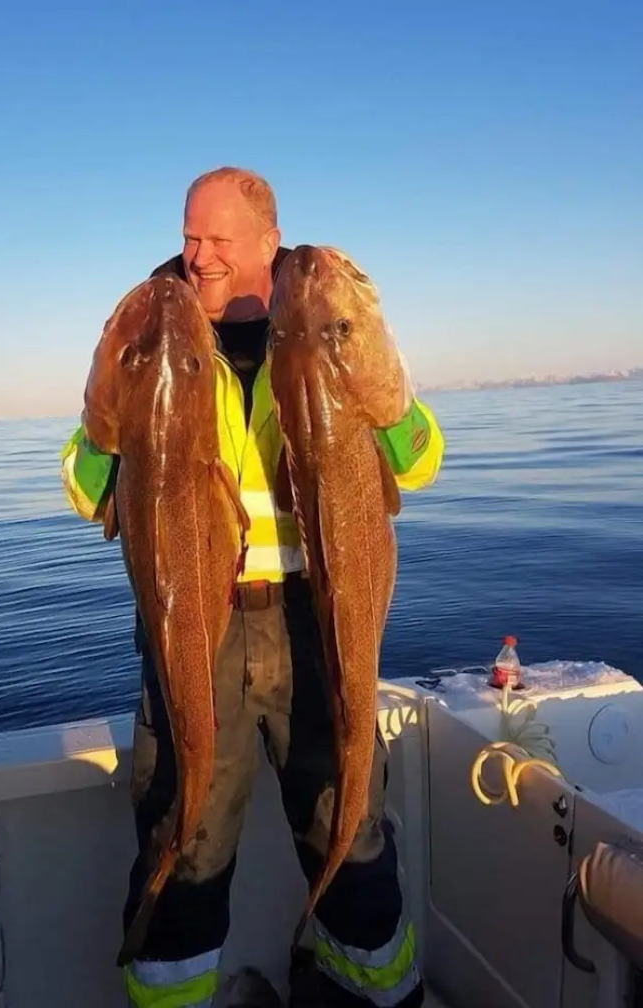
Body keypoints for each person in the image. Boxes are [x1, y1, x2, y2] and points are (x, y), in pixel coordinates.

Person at [60, 167, 445, 1008]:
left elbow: (417, 459)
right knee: (184, 834)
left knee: (349, 817)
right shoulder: (152, 333)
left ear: (267, 243)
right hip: (198, 623)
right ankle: (171, 990)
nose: (194, 255)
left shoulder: (320, 328)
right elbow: (87, 487)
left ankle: (375, 988)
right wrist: (107, 418)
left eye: (215, 239)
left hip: (316, 616)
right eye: (189, 236)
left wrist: (383, 389)